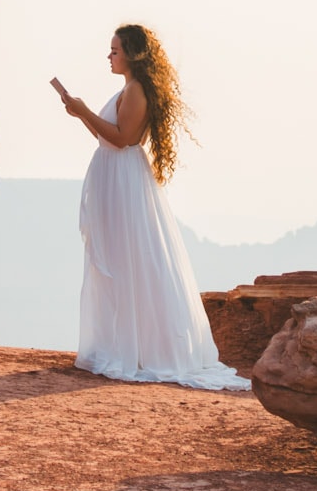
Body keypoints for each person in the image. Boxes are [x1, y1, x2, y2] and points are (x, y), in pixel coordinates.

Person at [57, 25, 248, 390]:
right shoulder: (127, 89)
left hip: (124, 180)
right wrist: (79, 113)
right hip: (115, 176)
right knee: (114, 257)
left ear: (131, 53)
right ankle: (120, 343)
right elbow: (107, 138)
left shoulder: (135, 90)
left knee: (129, 259)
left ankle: (141, 349)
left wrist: (84, 110)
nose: (109, 56)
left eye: (114, 50)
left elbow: (124, 139)